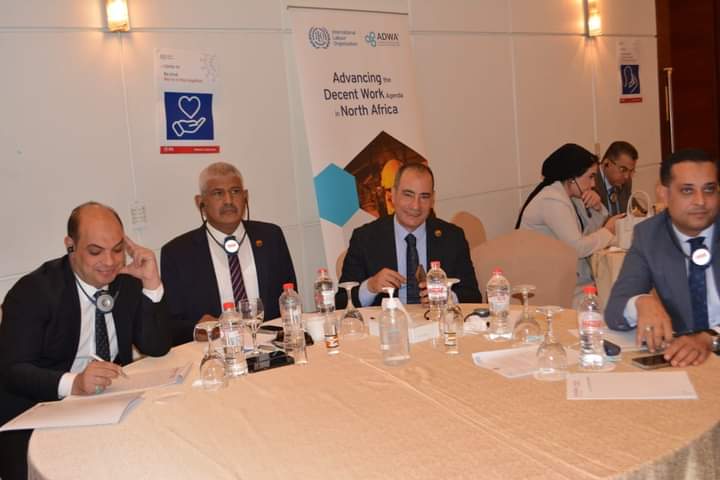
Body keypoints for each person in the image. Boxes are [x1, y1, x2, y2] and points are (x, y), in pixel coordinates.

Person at [0, 202, 171, 480]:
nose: (110, 262)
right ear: (71, 246)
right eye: (95, 251)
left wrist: (152, 284)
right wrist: (75, 383)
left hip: (107, 406)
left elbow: (156, 347)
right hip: (40, 410)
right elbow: (13, 370)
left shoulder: (126, 281)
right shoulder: (34, 291)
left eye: (118, 249)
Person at [606, 149, 720, 367]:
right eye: (687, 190)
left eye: (709, 189)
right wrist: (641, 302)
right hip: (687, 359)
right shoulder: (650, 236)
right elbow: (615, 309)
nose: (701, 201)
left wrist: (710, 338)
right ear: (664, 194)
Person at [161, 162, 296, 345]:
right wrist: (196, 329)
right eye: (218, 193)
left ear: (245, 196)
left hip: (272, 347)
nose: (228, 201)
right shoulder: (177, 253)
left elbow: (289, 297)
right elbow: (170, 324)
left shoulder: (271, 237)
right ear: (200, 202)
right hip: (216, 350)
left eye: (235, 191)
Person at [337, 163, 481, 307]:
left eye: (424, 197)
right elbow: (341, 302)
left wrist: (448, 297)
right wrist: (370, 287)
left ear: (432, 199)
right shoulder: (365, 238)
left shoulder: (453, 237)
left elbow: (473, 296)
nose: (415, 206)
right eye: (408, 195)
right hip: (387, 320)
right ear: (393, 195)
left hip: (437, 319)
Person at [515, 143, 623, 303]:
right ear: (572, 178)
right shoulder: (552, 200)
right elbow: (578, 248)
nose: (593, 184)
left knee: (616, 295)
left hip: (567, 277)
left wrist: (597, 207)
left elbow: (592, 234)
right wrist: (608, 230)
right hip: (548, 284)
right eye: (591, 176)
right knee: (613, 301)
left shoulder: (571, 196)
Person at [595, 141, 639, 215]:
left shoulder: (626, 181)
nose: (627, 176)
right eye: (623, 169)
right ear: (606, 163)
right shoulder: (591, 182)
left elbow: (637, 210)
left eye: (631, 171)